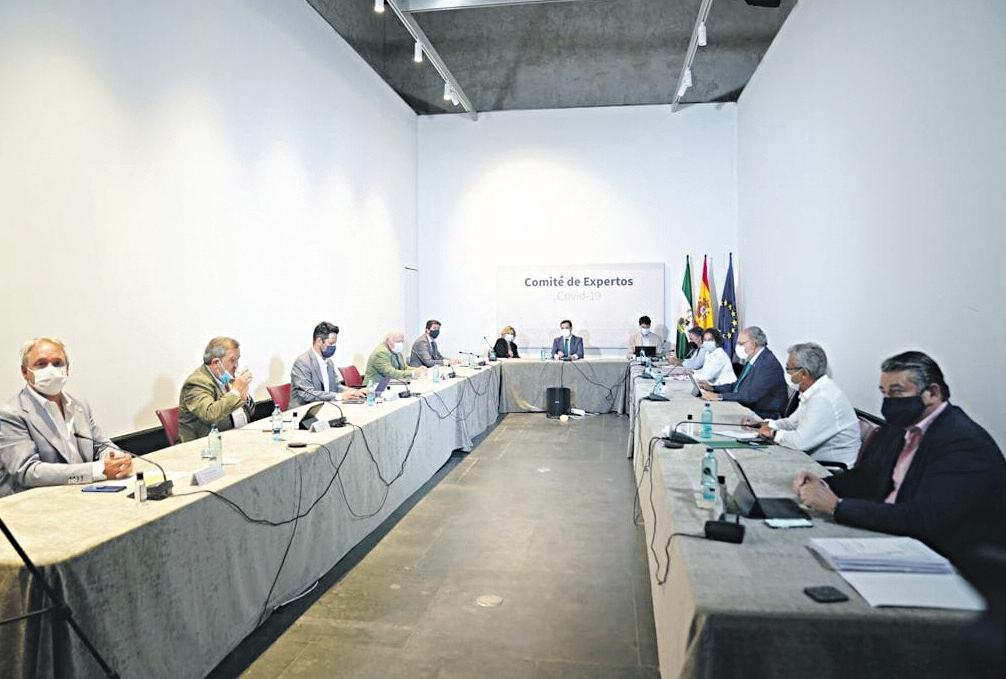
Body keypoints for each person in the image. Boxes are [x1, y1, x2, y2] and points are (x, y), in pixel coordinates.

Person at [793, 351, 1006, 562]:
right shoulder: (900, 427)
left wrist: (836, 507)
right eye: (884, 393)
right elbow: (867, 477)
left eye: (896, 392)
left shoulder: (963, 443)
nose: (888, 402)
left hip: (947, 556)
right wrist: (823, 485)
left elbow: (924, 518)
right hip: (891, 536)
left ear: (932, 393)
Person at [0, 337, 132, 497]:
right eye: (41, 364)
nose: (51, 370)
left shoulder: (78, 406)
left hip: (82, 493)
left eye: (57, 363)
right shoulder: (10, 413)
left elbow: (100, 445)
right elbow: (27, 471)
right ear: (25, 372)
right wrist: (97, 470)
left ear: (67, 369)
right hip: (35, 502)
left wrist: (117, 459)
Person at [744, 343, 859, 468]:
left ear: (804, 373)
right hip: (810, 460)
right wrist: (764, 424)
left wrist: (772, 433)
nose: (787, 373)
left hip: (830, 469)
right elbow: (791, 423)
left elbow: (800, 442)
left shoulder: (823, 398)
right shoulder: (813, 392)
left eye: (789, 369)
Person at [699, 326, 787, 419]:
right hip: (747, 408)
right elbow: (737, 386)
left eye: (741, 343)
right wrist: (713, 388)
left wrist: (719, 396)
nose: (738, 347)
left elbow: (749, 396)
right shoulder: (754, 359)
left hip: (762, 416)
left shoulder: (767, 364)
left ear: (753, 344)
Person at [178, 337, 255, 442]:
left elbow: (250, 412)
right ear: (216, 363)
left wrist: (244, 395)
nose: (236, 365)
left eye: (238, 360)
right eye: (232, 360)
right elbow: (210, 415)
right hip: (204, 444)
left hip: (233, 437)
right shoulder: (196, 383)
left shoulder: (224, 377)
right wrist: (235, 392)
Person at [289, 321, 365, 409]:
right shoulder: (302, 362)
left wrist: (355, 392)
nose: (333, 347)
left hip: (325, 407)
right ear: (319, 341)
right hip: (303, 412)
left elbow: (336, 386)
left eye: (334, 344)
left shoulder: (329, 362)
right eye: (331, 344)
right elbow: (307, 394)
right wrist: (339, 396)